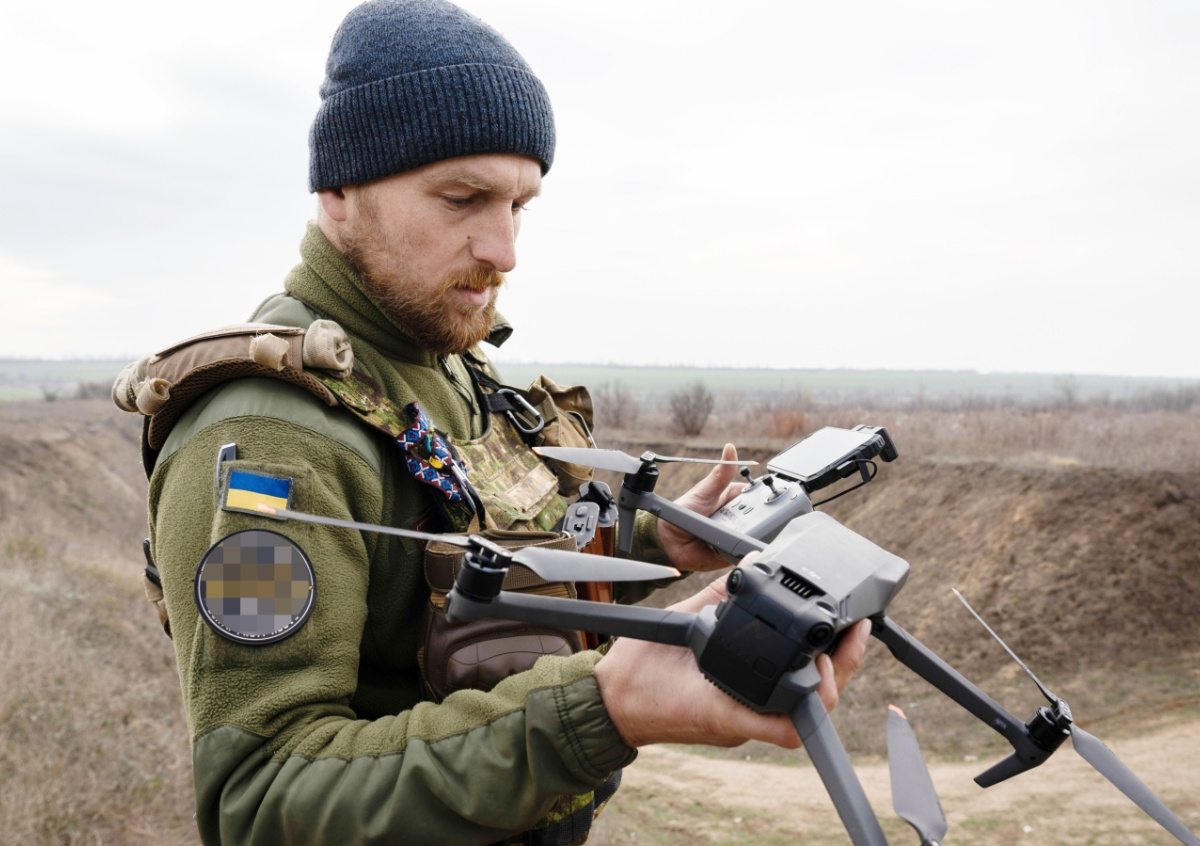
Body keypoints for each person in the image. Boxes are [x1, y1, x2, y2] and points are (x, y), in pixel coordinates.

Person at [133, 2, 872, 844]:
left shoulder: (444, 363)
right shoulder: (274, 442)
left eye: (520, 204)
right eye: (463, 198)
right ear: (338, 191)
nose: (504, 249)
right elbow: (260, 800)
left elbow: (484, 560)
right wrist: (602, 709)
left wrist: (652, 545)